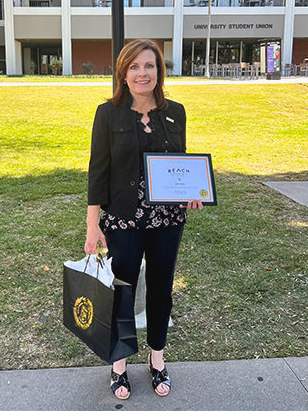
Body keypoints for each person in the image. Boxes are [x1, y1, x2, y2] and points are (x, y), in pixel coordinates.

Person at [84, 39, 203, 400]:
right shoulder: (108, 114)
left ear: (158, 71)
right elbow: (98, 171)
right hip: (123, 218)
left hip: (168, 219)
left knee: (162, 288)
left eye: (149, 66)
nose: (142, 73)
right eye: (134, 66)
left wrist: (193, 192)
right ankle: (119, 364)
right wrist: (93, 224)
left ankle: (157, 358)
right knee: (123, 288)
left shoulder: (175, 112)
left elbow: (181, 164)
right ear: (123, 72)